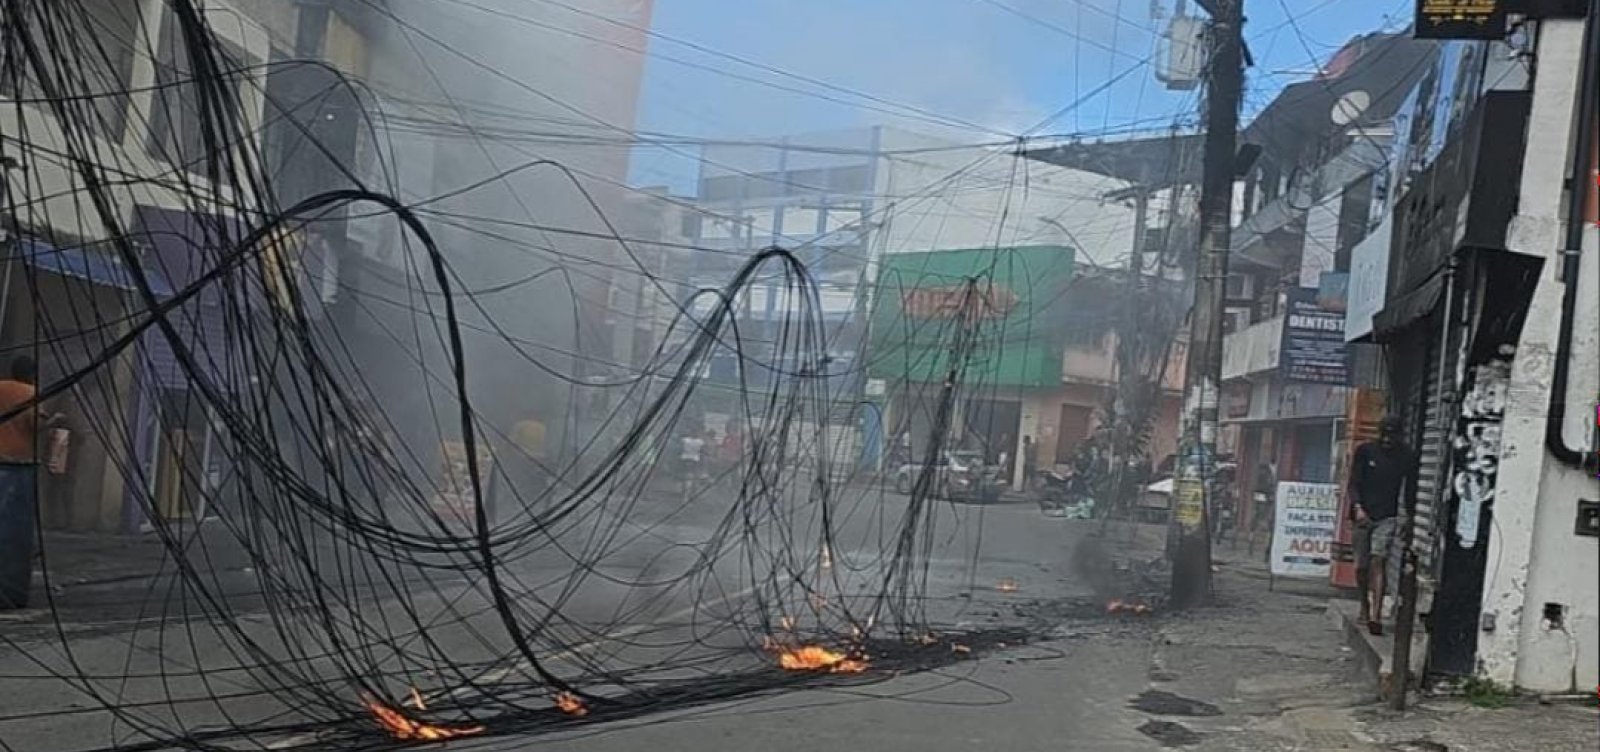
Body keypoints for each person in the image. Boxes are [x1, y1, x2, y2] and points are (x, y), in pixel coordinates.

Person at [1, 356, 62, 609]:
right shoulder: (31, 393)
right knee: (13, 534)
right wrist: (53, 421)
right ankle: (10, 592)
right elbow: (34, 424)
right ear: (33, 375)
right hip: (17, 467)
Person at [1348, 417, 1416, 636]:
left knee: (1379, 560)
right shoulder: (1365, 451)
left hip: (1387, 516)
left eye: (1392, 436)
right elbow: (1354, 483)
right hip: (1362, 515)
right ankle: (1364, 607)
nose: (1387, 440)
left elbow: (1411, 490)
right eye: (1384, 435)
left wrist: (1410, 517)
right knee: (1361, 566)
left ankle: (1376, 614)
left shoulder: (1406, 456)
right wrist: (1358, 507)